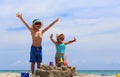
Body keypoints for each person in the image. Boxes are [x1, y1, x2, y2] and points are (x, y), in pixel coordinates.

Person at [16, 12, 59, 76]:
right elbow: (26, 24)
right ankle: (33, 73)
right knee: (33, 62)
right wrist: (21, 18)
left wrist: (55, 22)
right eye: (36, 23)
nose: (38, 24)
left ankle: (38, 73)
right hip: (33, 48)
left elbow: (49, 26)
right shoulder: (32, 30)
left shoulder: (41, 31)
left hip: (39, 48)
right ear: (33, 25)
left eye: (39, 23)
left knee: (39, 62)